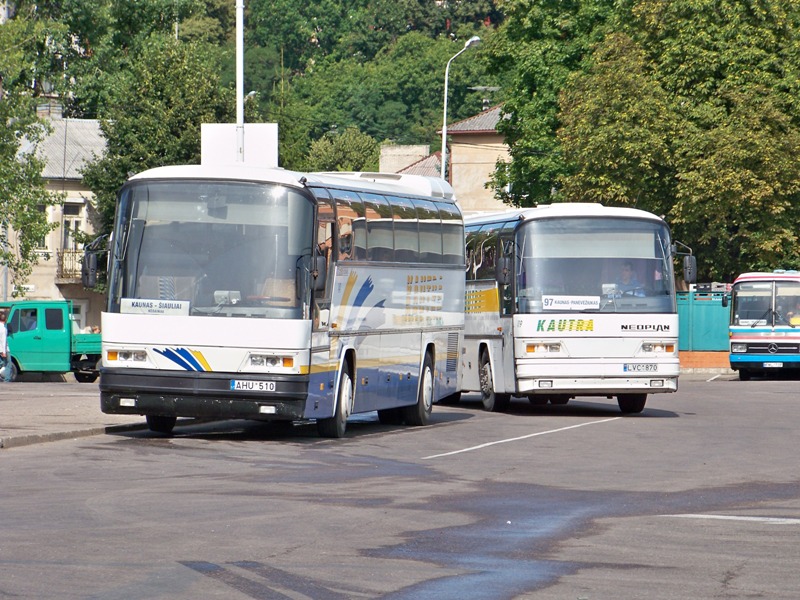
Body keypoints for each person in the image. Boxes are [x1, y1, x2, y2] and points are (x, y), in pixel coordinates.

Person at [0, 311, 11, 383]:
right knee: (8, 364)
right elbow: (3, 341)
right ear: (6, 319)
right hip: (4, 349)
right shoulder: (4, 329)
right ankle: (6, 380)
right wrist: (4, 352)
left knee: (1, 364)